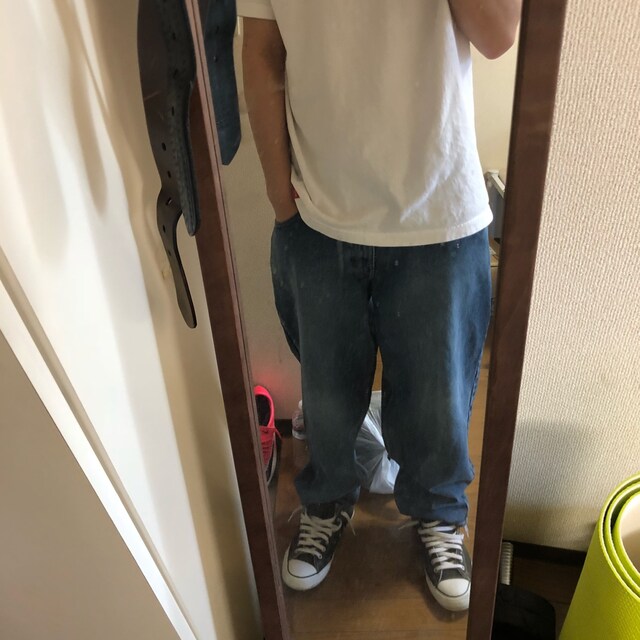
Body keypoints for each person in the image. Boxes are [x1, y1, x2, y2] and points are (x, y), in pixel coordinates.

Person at [237, 0, 520, 612]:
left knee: (438, 400)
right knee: (328, 392)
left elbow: (499, 34)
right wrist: (279, 195)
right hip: (318, 207)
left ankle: (439, 515)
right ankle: (325, 502)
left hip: (439, 207)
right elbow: (261, 51)